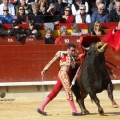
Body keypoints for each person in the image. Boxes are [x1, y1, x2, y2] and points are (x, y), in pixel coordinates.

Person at [37, 43, 81, 116]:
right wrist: (45, 69)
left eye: (74, 51)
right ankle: (74, 110)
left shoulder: (73, 57)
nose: (73, 52)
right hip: (63, 74)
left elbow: (79, 57)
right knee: (68, 91)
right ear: (68, 49)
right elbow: (52, 61)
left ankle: (41, 108)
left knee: (54, 92)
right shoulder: (62, 54)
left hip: (65, 75)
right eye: (72, 50)